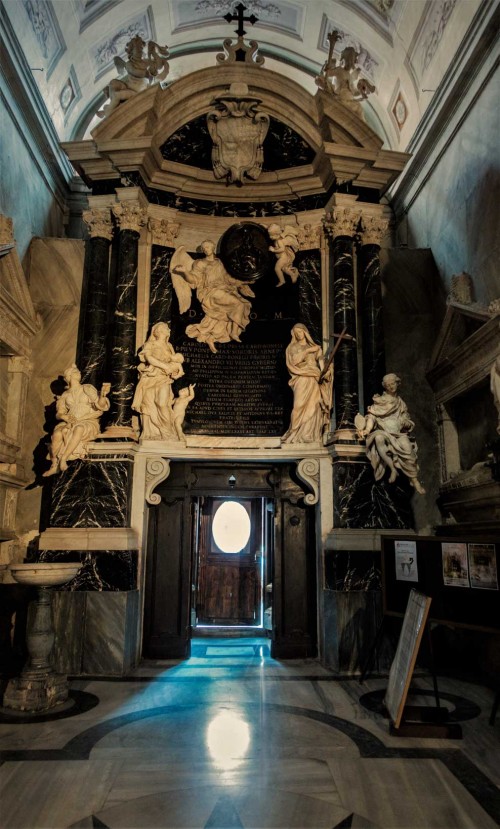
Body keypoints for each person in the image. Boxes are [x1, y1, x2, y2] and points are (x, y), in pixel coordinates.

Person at [171, 240, 255, 353]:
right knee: (238, 304)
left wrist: (245, 282)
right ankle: (234, 332)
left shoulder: (220, 263)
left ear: (213, 248)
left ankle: (212, 337)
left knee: (234, 309)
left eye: (208, 247)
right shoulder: (199, 263)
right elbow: (194, 279)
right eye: (204, 248)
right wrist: (185, 271)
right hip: (210, 292)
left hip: (224, 289)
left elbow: (229, 279)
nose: (206, 249)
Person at [356, 373, 425, 494]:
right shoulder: (379, 400)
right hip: (383, 431)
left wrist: (406, 423)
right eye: (388, 385)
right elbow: (372, 416)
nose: (391, 386)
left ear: (397, 383)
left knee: (408, 450)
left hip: (398, 433)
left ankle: (414, 480)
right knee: (378, 438)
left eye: (393, 383)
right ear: (385, 386)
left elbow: (406, 418)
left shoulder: (400, 402)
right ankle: (393, 468)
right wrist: (367, 429)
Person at [43, 365, 110, 475]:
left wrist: (102, 395)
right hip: (70, 421)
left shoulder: (87, 388)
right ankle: (54, 463)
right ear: (68, 376)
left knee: (79, 428)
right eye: (75, 372)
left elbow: (100, 406)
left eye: (78, 371)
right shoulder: (65, 394)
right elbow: (59, 414)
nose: (78, 373)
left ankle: (64, 459)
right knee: (57, 434)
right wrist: (64, 417)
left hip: (88, 420)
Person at [132, 322, 184, 440]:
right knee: (148, 404)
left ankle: (167, 431)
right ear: (159, 331)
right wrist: (165, 367)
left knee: (162, 403)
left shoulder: (169, 346)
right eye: (166, 328)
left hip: (164, 379)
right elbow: (149, 358)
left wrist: (177, 372)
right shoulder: (150, 344)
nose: (169, 330)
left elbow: (176, 361)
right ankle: (150, 433)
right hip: (150, 378)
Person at [282, 324, 333, 444]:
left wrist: (326, 371)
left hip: (314, 378)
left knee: (314, 405)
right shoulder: (292, 347)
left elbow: (321, 364)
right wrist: (308, 351)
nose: (298, 335)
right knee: (298, 405)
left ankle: (307, 434)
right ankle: (294, 431)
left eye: (300, 332)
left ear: (305, 332)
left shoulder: (315, 347)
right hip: (301, 377)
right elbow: (294, 361)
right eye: (296, 333)